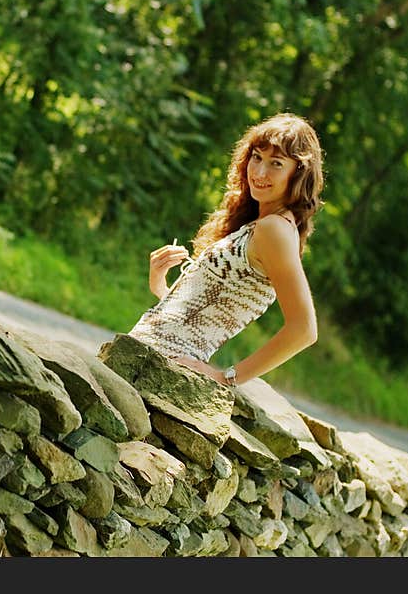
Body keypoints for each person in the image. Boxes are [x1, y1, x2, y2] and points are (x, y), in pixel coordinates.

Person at [128, 112, 325, 388]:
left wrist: (225, 377)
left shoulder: (275, 230)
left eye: (276, 163)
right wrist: (160, 285)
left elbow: (304, 329)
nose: (259, 173)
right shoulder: (264, 225)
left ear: (298, 173)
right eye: (256, 157)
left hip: (157, 368)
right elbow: (200, 321)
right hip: (149, 355)